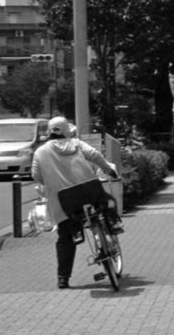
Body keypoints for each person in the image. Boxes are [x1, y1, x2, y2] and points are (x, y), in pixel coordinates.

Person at [31, 116, 121, 290]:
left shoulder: (40, 152)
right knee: (104, 206)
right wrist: (109, 170)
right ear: (67, 130)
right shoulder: (77, 144)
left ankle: (63, 278)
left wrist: (50, 182)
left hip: (64, 200)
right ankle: (113, 225)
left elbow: (36, 176)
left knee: (65, 237)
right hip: (89, 190)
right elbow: (95, 155)